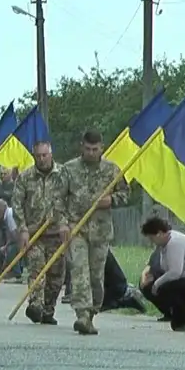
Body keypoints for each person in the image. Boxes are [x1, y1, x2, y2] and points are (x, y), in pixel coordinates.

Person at [62, 130, 128, 335]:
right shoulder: (69, 169)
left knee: (96, 277)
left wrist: (112, 200)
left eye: (95, 149)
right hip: (77, 229)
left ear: (102, 148)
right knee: (79, 271)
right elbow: (58, 198)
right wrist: (63, 224)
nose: (91, 153)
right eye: (88, 149)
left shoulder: (112, 170)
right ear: (82, 146)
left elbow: (126, 194)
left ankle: (91, 313)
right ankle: (82, 314)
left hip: (100, 231)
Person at [12, 140, 68, 325]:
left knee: (56, 276)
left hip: (56, 234)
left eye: (45, 155)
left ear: (51, 154)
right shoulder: (26, 177)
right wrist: (22, 229)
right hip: (34, 234)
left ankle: (48, 310)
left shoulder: (63, 176)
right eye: (38, 156)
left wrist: (65, 224)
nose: (41, 159)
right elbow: (17, 204)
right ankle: (35, 305)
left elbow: (73, 201)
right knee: (37, 270)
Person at [0, 199, 21, 279]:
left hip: (21, 238)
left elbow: (15, 236)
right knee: (7, 249)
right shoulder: (7, 216)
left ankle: (16, 273)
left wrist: (6, 246)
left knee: (11, 249)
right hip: (17, 237)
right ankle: (8, 270)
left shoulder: (9, 216)